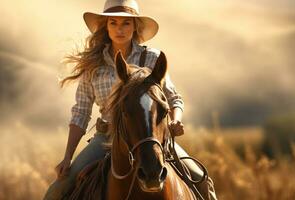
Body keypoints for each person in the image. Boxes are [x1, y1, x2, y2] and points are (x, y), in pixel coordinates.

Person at [43, 0, 217, 199]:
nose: (119, 29)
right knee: (56, 190)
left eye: (126, 23)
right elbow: (81, 113)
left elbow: (173, 98)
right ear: (105, 26)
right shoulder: (93, 66)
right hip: (106, 137)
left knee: (201, 180)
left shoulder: (152, 58)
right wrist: (67, 157)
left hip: (152, 138)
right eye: (113, 23)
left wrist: (176, 120)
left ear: (135, 27)